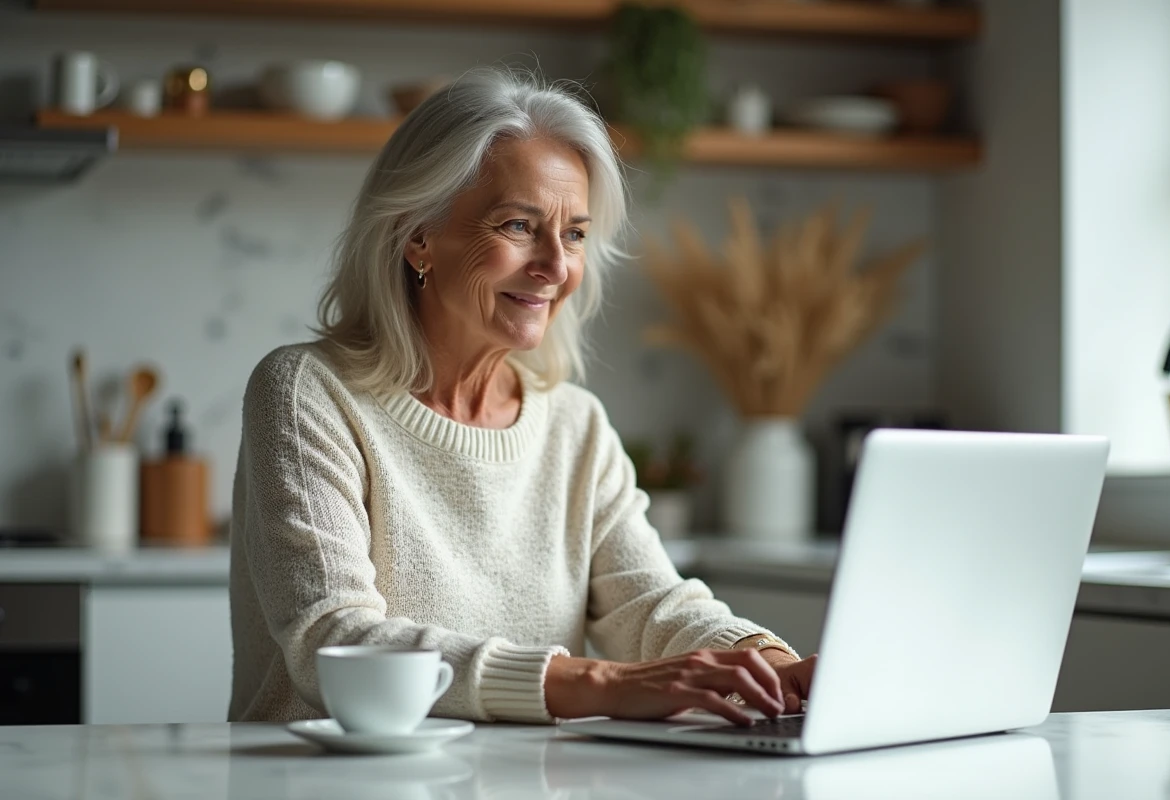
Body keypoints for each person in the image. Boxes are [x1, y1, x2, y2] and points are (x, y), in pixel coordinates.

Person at [228, 68, 816, 727]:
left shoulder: (573, 424)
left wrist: (768, 663)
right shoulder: (309, 393)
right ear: (417, 235)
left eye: (573, 234)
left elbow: (649, 604)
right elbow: (332, 639)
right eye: (518, 225)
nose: (556, 267)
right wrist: (598, 682)